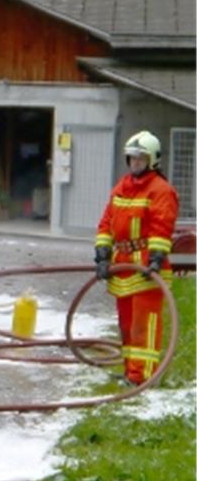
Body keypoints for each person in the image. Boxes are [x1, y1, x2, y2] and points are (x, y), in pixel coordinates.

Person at [94, 130, 179, 385]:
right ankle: (130, 371)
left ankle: (143, 376)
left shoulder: (160, 190)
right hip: (122, 265)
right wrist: (102, 256)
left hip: (146, 267)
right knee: (127, 324)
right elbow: (106, 223)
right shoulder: (122, 187)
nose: (135, 162)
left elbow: (162, 226)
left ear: (152, 160)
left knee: (144, 324)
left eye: (140, 158)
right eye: (132, 158)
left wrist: (155, 259)